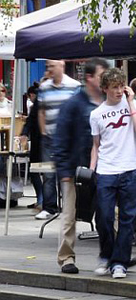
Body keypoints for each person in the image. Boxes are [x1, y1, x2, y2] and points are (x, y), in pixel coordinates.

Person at [51, 58, 109, 274]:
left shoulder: (107, 102)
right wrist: (64, 171)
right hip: (76, 169)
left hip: (103, 168)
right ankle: (66, 258)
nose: (105, 79)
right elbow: (61, 138)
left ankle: (112, 253)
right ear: (89, 77)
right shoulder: (74, 103)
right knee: (69, 215)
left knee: (109, 213)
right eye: (102, 75)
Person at [89, 68, 136, 279]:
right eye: (114, 87)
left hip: (130, 167)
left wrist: (131, 103)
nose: (119, 91)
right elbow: (96, 145)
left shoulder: (133, 105)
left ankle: (120, 262)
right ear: (105, 89)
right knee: (103, 216)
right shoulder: (96, 114)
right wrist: (92, 169)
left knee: (127, 219)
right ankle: (107, 255)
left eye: (122, 86)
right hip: (106, 170)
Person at [36, 60, 81, 220]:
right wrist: (43, 133)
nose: (49, 69)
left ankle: (70, 208)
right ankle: (49, 207)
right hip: (49, 137)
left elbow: (78, 111)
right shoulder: (44, 87)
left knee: (68, 174)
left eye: (52, 66)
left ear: (61, 66)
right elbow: (41, 111)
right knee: (48, 173)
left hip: (68, 139)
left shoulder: (74, 86)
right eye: (48, 66)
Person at [21, 84, 43, 212]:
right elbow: (30, 120)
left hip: (47, 143)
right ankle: (42, 199)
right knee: (35, 171)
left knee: (47, 174)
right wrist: (24, 133)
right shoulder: (37, 105)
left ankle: (44, 200)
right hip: (38, 142)